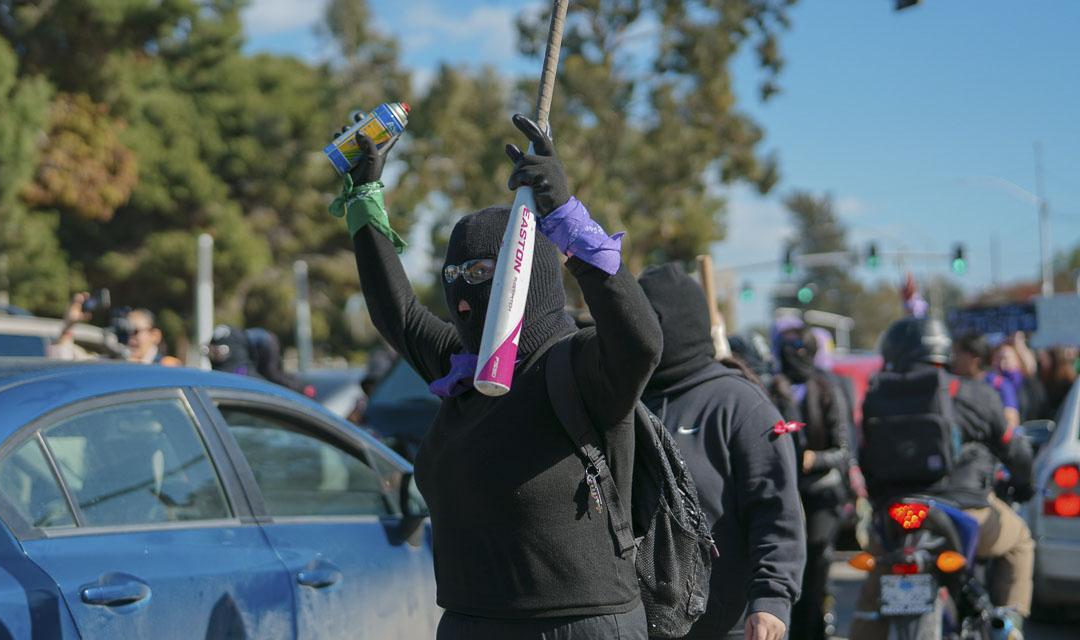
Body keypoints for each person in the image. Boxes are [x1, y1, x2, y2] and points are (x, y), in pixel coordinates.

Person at [335, 113, 662, 639]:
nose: (461, 297)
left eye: (481, 273)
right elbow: (395, 311)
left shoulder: (578, 365)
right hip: (471, 622)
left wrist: (565, 215)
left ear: (524, 274)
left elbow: (642, 340)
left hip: (577, 625)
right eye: (452, 277)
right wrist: (363, 199)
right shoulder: (461, 365)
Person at [637, 265, 803, 640]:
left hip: (729, 625)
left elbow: (777, 511)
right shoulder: (624, 402)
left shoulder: (741, 406)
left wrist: (772, 601)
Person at [848, 317, 1036, 639]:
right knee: (1020, 541)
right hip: (965, 514)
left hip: (902, 515)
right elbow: (1015, 451)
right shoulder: (974, 392)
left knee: (874, 587)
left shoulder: (877, 395)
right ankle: (1008, 626)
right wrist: (1025, 483)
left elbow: (865, 461)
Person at [767, 318, 851, 640]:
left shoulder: (827, 388)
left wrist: (814, 459)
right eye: (789, 349)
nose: (795, 356)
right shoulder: (771, 387)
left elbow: (843, 451)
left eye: (801, 349)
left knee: (814, 566)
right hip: (785, 493)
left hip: (821, 494)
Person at [951, 331, 1019, 428]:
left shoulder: (999, 385)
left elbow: (1011, 423)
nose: (954, 359)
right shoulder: (950, 385)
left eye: (958, 353)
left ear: (975, 358)